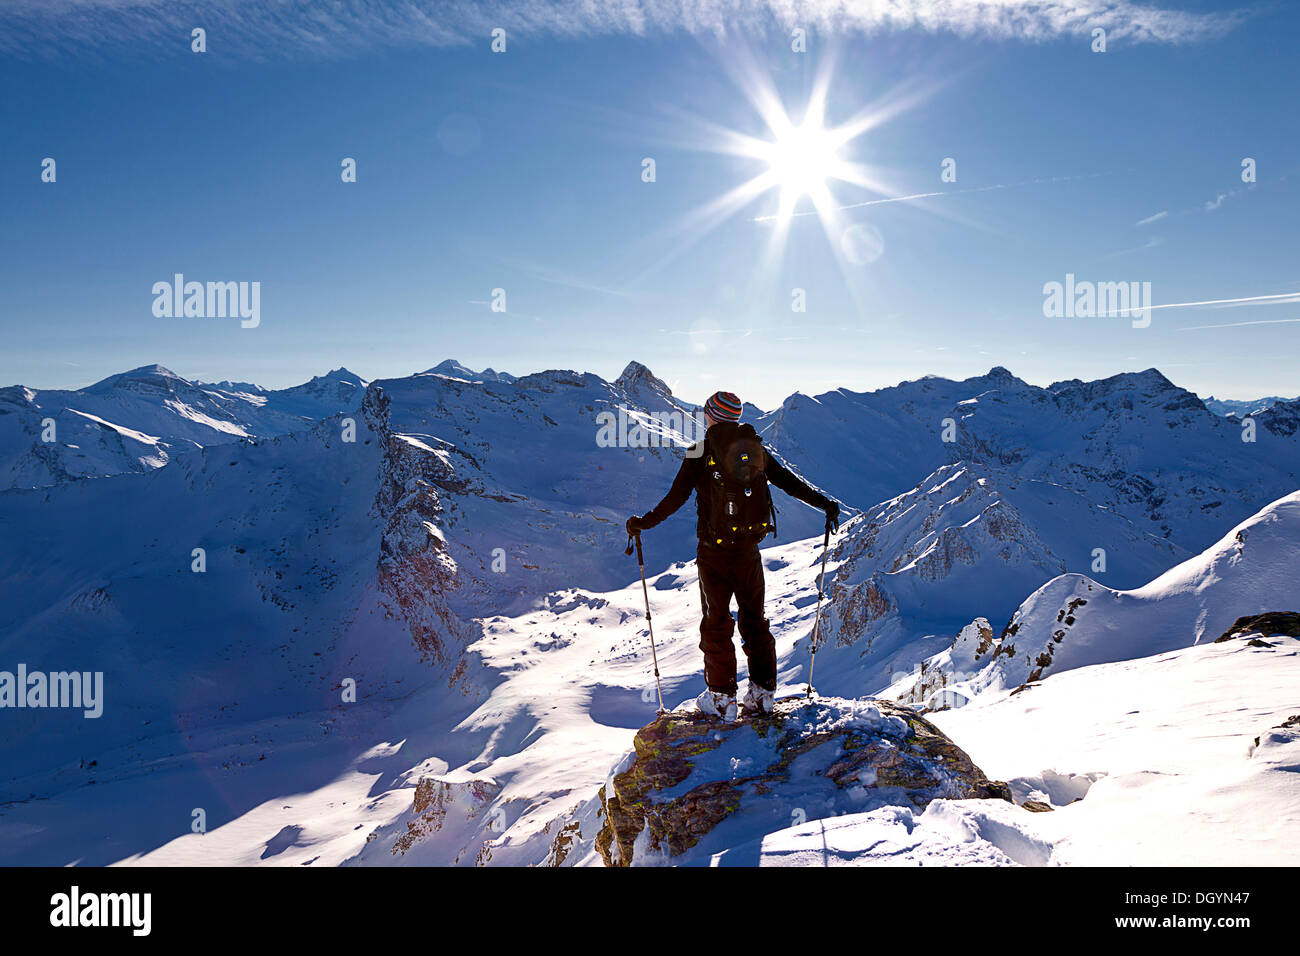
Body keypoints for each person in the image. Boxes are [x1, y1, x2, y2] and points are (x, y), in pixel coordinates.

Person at [626, 390, 840, 719]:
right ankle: (763, 692)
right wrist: (826, 504)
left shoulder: (699, 451)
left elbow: (675, 498)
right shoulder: (753, 449)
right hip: (749, 552)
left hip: (713, 554)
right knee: (754, 620)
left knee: (716, 623)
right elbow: (790, 483)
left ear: (711, 415)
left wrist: (642, 523)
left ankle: (723, 698)